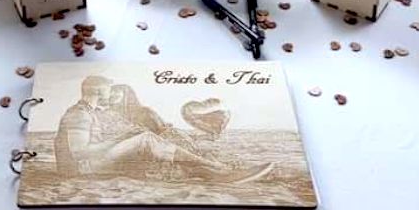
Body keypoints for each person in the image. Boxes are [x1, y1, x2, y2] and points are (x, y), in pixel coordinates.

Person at [54, 75, 273, 184]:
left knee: (150, 150)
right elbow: (79, 153)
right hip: (80, 169)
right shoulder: (78, 114)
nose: (110, 95)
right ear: (99, 92)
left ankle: (212, 171)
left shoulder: (88, 111)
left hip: (90, 164)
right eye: (108, 91)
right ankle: (217, 169)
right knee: (145, 139)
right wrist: (119, 140)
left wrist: (123, 138)